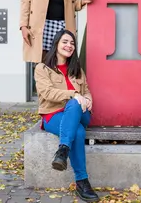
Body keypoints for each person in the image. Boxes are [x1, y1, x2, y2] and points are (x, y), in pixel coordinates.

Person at [34, 29, 99, 202]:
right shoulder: (42, 69)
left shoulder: (77, 70)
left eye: (72, 43)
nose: (69, 46)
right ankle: (82, 182)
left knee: (75, 105)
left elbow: (87, 92)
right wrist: (73, 95)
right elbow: (47, 93)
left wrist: (87, 99)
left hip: (80, 114)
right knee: (77, 132)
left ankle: (63, 149)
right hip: (53, 115)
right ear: (56, 44)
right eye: (65, 42)